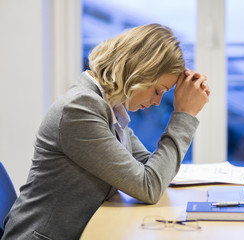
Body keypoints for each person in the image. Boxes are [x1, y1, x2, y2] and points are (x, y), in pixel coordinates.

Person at [1, 24, 210, 240]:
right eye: (157, 91)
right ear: (140, 71)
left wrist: (184, 112)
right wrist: (185, 114)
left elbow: (152, 170)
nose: (157, 101)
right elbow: (149, 186)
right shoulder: (80, 109)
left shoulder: (109, 108)